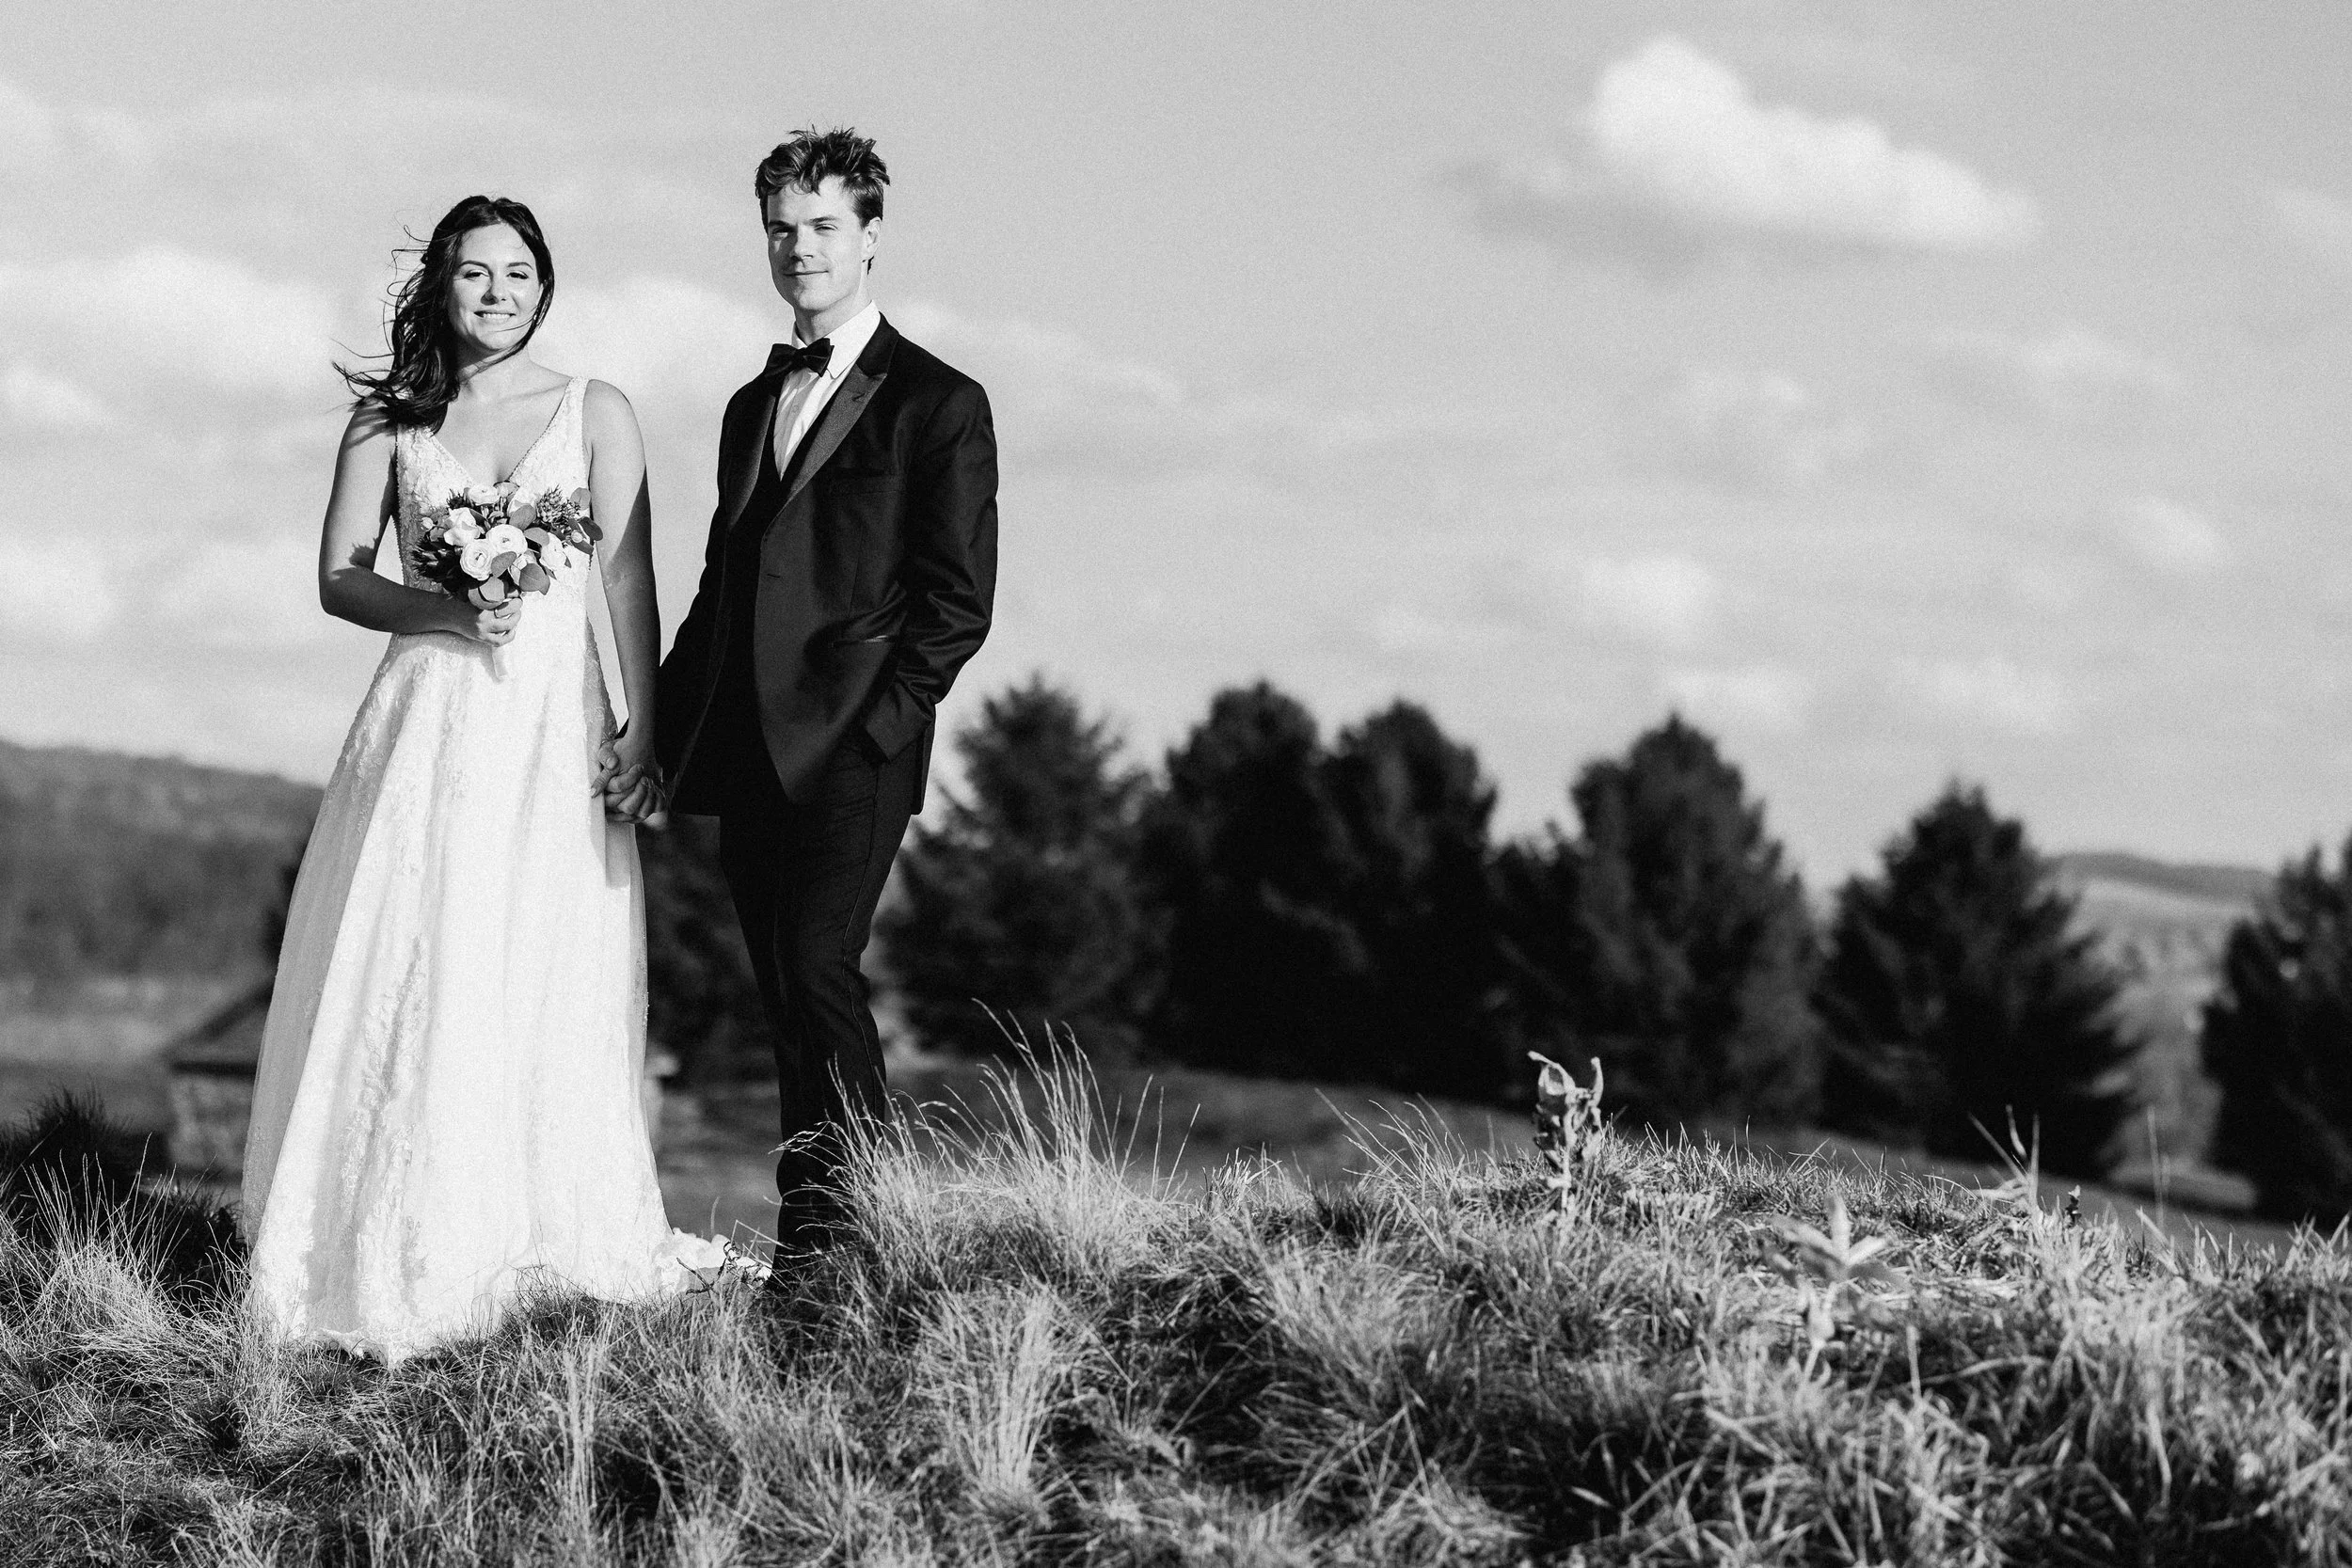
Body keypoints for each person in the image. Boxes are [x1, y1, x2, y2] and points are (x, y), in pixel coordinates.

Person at [242, 196, 686, 1363]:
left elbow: (627, 578)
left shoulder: (597, 410)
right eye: (476, 273)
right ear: (441, 285)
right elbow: (339, 576)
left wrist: (643, 723)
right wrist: (445, 605)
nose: (500, 292)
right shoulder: (391, 419)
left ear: (548, 285)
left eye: (520, 272)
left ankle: (542, 1231)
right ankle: (392, 1238)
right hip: (429, 722)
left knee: (537, 951)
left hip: (550, 721)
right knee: (417, 951)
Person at [655, 128, 998, 1263]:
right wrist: (659, 729)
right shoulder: (753, 402)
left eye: (821, 227)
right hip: (747, 743)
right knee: (783, 992)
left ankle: (857, 1229)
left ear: (870, 238)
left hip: (854, 746)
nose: (797, 248)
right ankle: (810, 1239)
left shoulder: (939, 402)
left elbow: (955, 601)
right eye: (780, 229)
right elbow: (722, 580)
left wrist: (885, 723)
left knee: (818, 967)